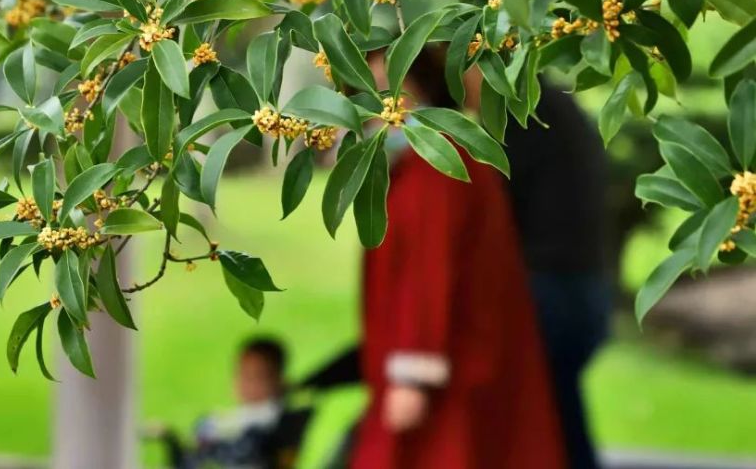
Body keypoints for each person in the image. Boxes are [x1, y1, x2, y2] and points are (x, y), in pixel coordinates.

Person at [345, 46, 566, 469]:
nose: (377, 107)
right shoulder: (427, 161)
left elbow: (428, 274)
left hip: (453, 370)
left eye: (389, 92)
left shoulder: (438, 164)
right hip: (453, 363)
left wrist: (411, 373)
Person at [500, 82, 613, 469]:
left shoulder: (523, 112)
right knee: (558, 419)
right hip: (581, 288)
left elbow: (489, 203)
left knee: (550, 429)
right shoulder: (551, 104)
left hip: (553, 294)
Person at [152, 337, 311, 469]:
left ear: (280, 381)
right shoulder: (231, 418)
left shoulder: (278, 419)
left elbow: (249, 446)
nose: (249, 384)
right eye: (244, 375)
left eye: (259, 377)